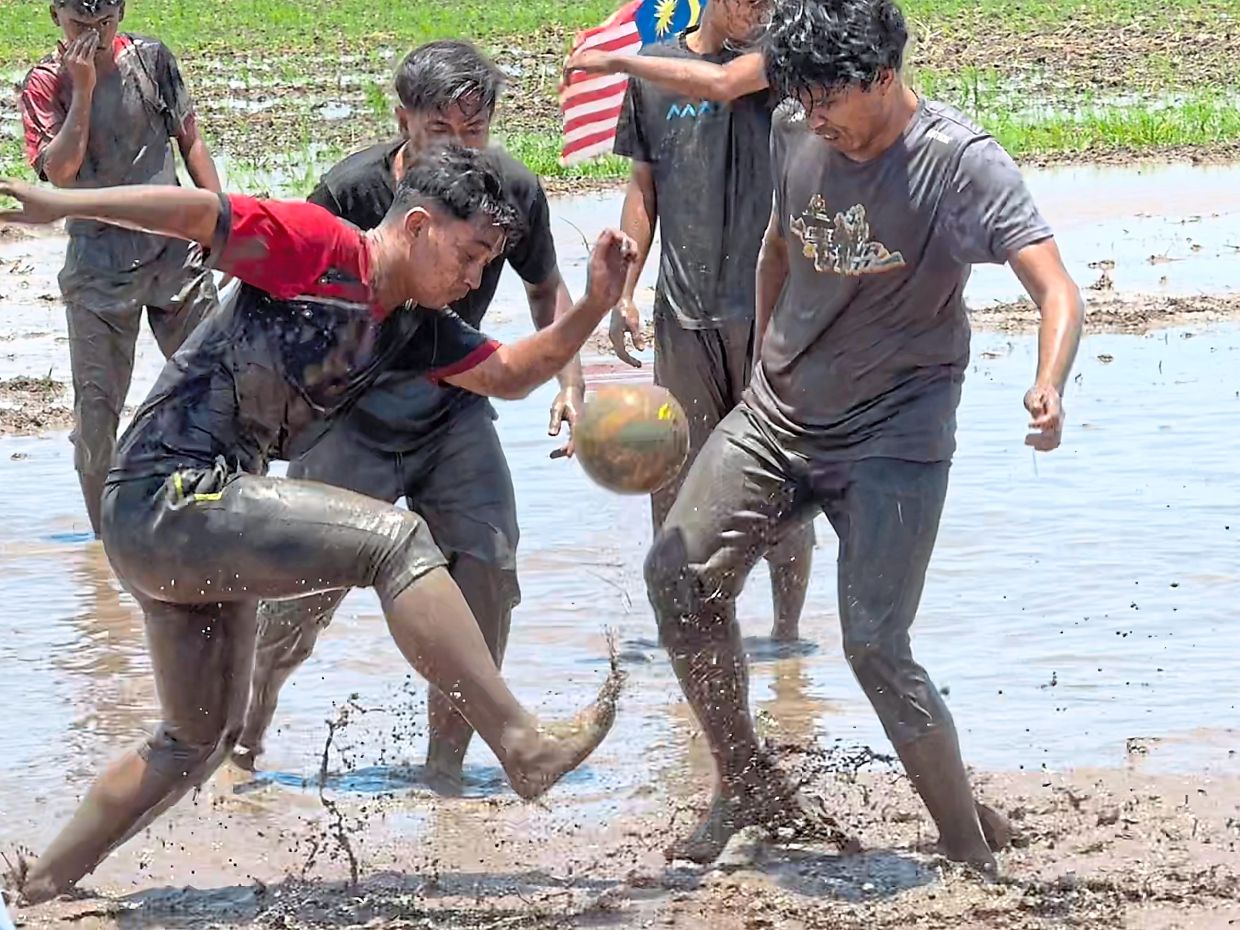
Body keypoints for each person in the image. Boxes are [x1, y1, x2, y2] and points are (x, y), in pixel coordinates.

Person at [0, 144, 634, 904]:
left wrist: (596, 303)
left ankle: (39, 890)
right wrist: (61, 208)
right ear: (421, 225)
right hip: (166, 495)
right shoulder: (322, 246)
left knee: (194, 741)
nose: (474, 281)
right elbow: (197, 213)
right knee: (396, 543)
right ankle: (521, 744)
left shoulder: (413, 328)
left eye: (486, 264)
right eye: (469, 258)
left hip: (198, 518)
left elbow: (511, 374)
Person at [638, 0, 1084, 873]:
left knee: (876, 644)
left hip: (895, 431)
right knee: (676, 575)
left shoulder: (959, 165)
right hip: (782, 412)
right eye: (799, 99)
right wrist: (765, 368)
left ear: (882, 74)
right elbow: (777, 245)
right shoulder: (797, 130)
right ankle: (747, 782)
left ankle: (966, 851)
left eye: (830, 100)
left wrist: (1048, 384)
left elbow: (1057, 286)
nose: (817, 120)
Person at [234, 41, 586, 793]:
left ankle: (446, 772)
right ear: (403, 122)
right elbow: (278, 297)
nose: (459, 151)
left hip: (455, 410)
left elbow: (546, 289)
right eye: (438, 133)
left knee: (486, 570)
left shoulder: (513, 192)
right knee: (298, 596)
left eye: (475, 133)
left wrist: (571, 381)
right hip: (349, 417)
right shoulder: (349, 192)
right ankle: (242, 739)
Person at [608, 0, 814, 643]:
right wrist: (625, 291)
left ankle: (787, 638)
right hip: (684, 313)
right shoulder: (656, 74)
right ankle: (681, 627)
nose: (758, 9)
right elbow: (645, 188)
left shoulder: (782, 66)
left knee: (783, 479)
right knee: (672, 475)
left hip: (772, 313)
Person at [19, 0, 221, 535]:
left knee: (217, 387)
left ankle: (219, 522)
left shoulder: (152, 61)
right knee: (96, 416)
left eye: (105, 19)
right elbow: (60, 173)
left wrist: (220, 220)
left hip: (175, 252)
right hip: (98, 264)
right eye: (80, 22)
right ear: (54, 16)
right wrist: (81, 88)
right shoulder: (44, 84)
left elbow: (191, 140)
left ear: (122, 11)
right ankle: (109, 544)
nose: (95, 31)